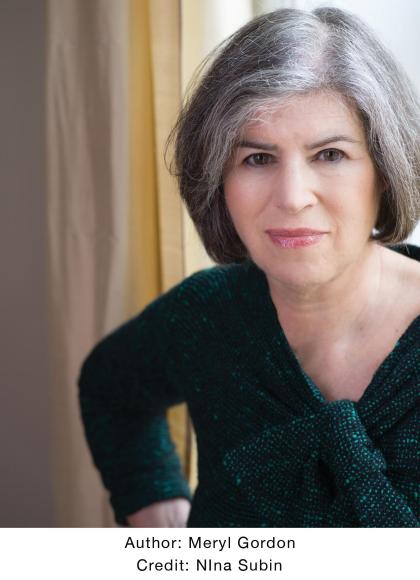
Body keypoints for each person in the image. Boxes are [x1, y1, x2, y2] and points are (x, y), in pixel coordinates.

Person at [78, 6, 420, 527]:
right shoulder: (207, 315)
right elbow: (109, 386)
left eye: (330, 154)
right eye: (257, 159)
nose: (293, 197)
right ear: (219, 180)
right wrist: (156, 509)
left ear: (386, 170)